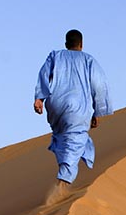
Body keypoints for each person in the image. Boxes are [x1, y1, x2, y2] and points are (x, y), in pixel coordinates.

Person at [34, 29, 112, 205]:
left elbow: (43, 75)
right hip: (78, 106)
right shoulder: (89, 60)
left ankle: (64, 173)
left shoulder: (55, 56)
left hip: (56, 106)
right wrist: (98, 111)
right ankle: (62, 183)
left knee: (63, 138)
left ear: (66, 44)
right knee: (75, 139)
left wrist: (39, 98)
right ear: (81, 44)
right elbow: (99, 85)